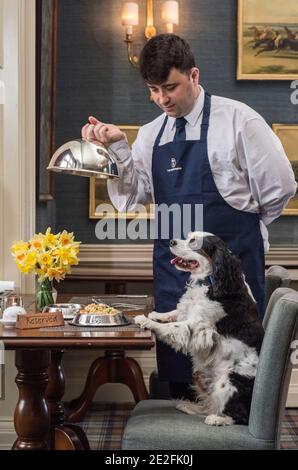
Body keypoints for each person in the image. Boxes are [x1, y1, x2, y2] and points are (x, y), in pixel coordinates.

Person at [82, 34, 297, 400]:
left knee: (235, 381)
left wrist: (246, 227)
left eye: (170, 87)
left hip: (232, 281)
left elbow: (280, 188)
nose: (162, 99)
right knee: (179, 384)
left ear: (193, 75)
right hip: (174, 280)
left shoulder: (239, 121)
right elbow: (130, 201)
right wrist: (118, 148)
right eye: (153, 90)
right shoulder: (151, 135)